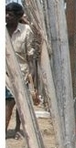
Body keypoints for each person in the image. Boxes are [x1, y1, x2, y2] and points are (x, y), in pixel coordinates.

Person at [5, 2, 35, 140]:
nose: (6, 17)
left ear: (18, 17)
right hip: (4, 72)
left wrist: (31, 75)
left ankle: (17, 128)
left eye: (10, 15)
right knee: (8, 102)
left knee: (19, 103)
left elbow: (30, 55)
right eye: (6, 14)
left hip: (21, 72)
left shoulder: (26, 30)